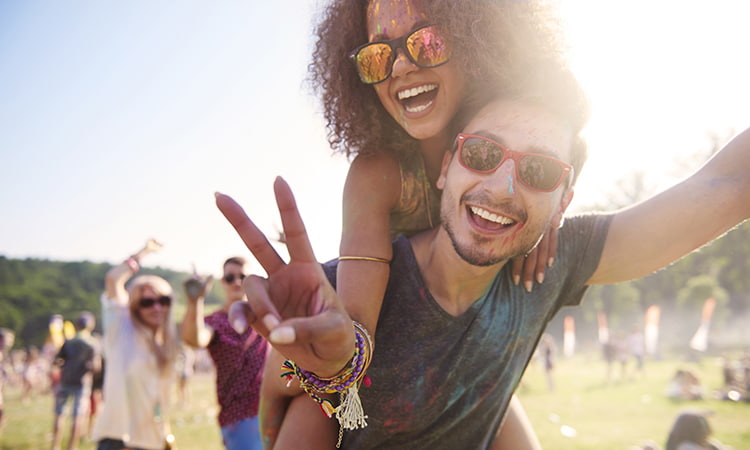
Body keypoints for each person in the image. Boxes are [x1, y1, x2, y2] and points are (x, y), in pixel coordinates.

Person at [217, 54, 750, 447]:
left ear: (564, 201)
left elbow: (726, 185)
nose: (503, 187)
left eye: (539, 172)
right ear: (447, 165)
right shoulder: (343, 299)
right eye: (483, 153)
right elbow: (282, 411)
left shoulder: (555, 266)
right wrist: (327, 371)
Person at [263, 0, 565, 446]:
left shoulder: (529, 169)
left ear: (479, 43)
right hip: (359, 376)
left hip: (464, 363)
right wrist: (323, 362)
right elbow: (357, 330)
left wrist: (541, 221)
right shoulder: (376, 174)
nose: (400, 67)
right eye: (376, 56)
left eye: (427, 42)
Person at [91, 239, 180, 450]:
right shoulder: (121, 327)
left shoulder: (163, 344)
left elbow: (157, 399)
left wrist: (165, 435)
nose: (157, 307)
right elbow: (113, 279)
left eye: (163, 301)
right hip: (118, 440)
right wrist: (143, 253)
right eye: (147, 302)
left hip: (152, 441)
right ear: (135, 306)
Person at [181, 257, 268, 450]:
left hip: (273, 409)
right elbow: (195, 339)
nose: (236, 282)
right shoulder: (217, 321)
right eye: (230, 278)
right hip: (239, 417)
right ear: (222, 282)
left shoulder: (265, 314)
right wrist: (196, 301)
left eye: (242, 277)